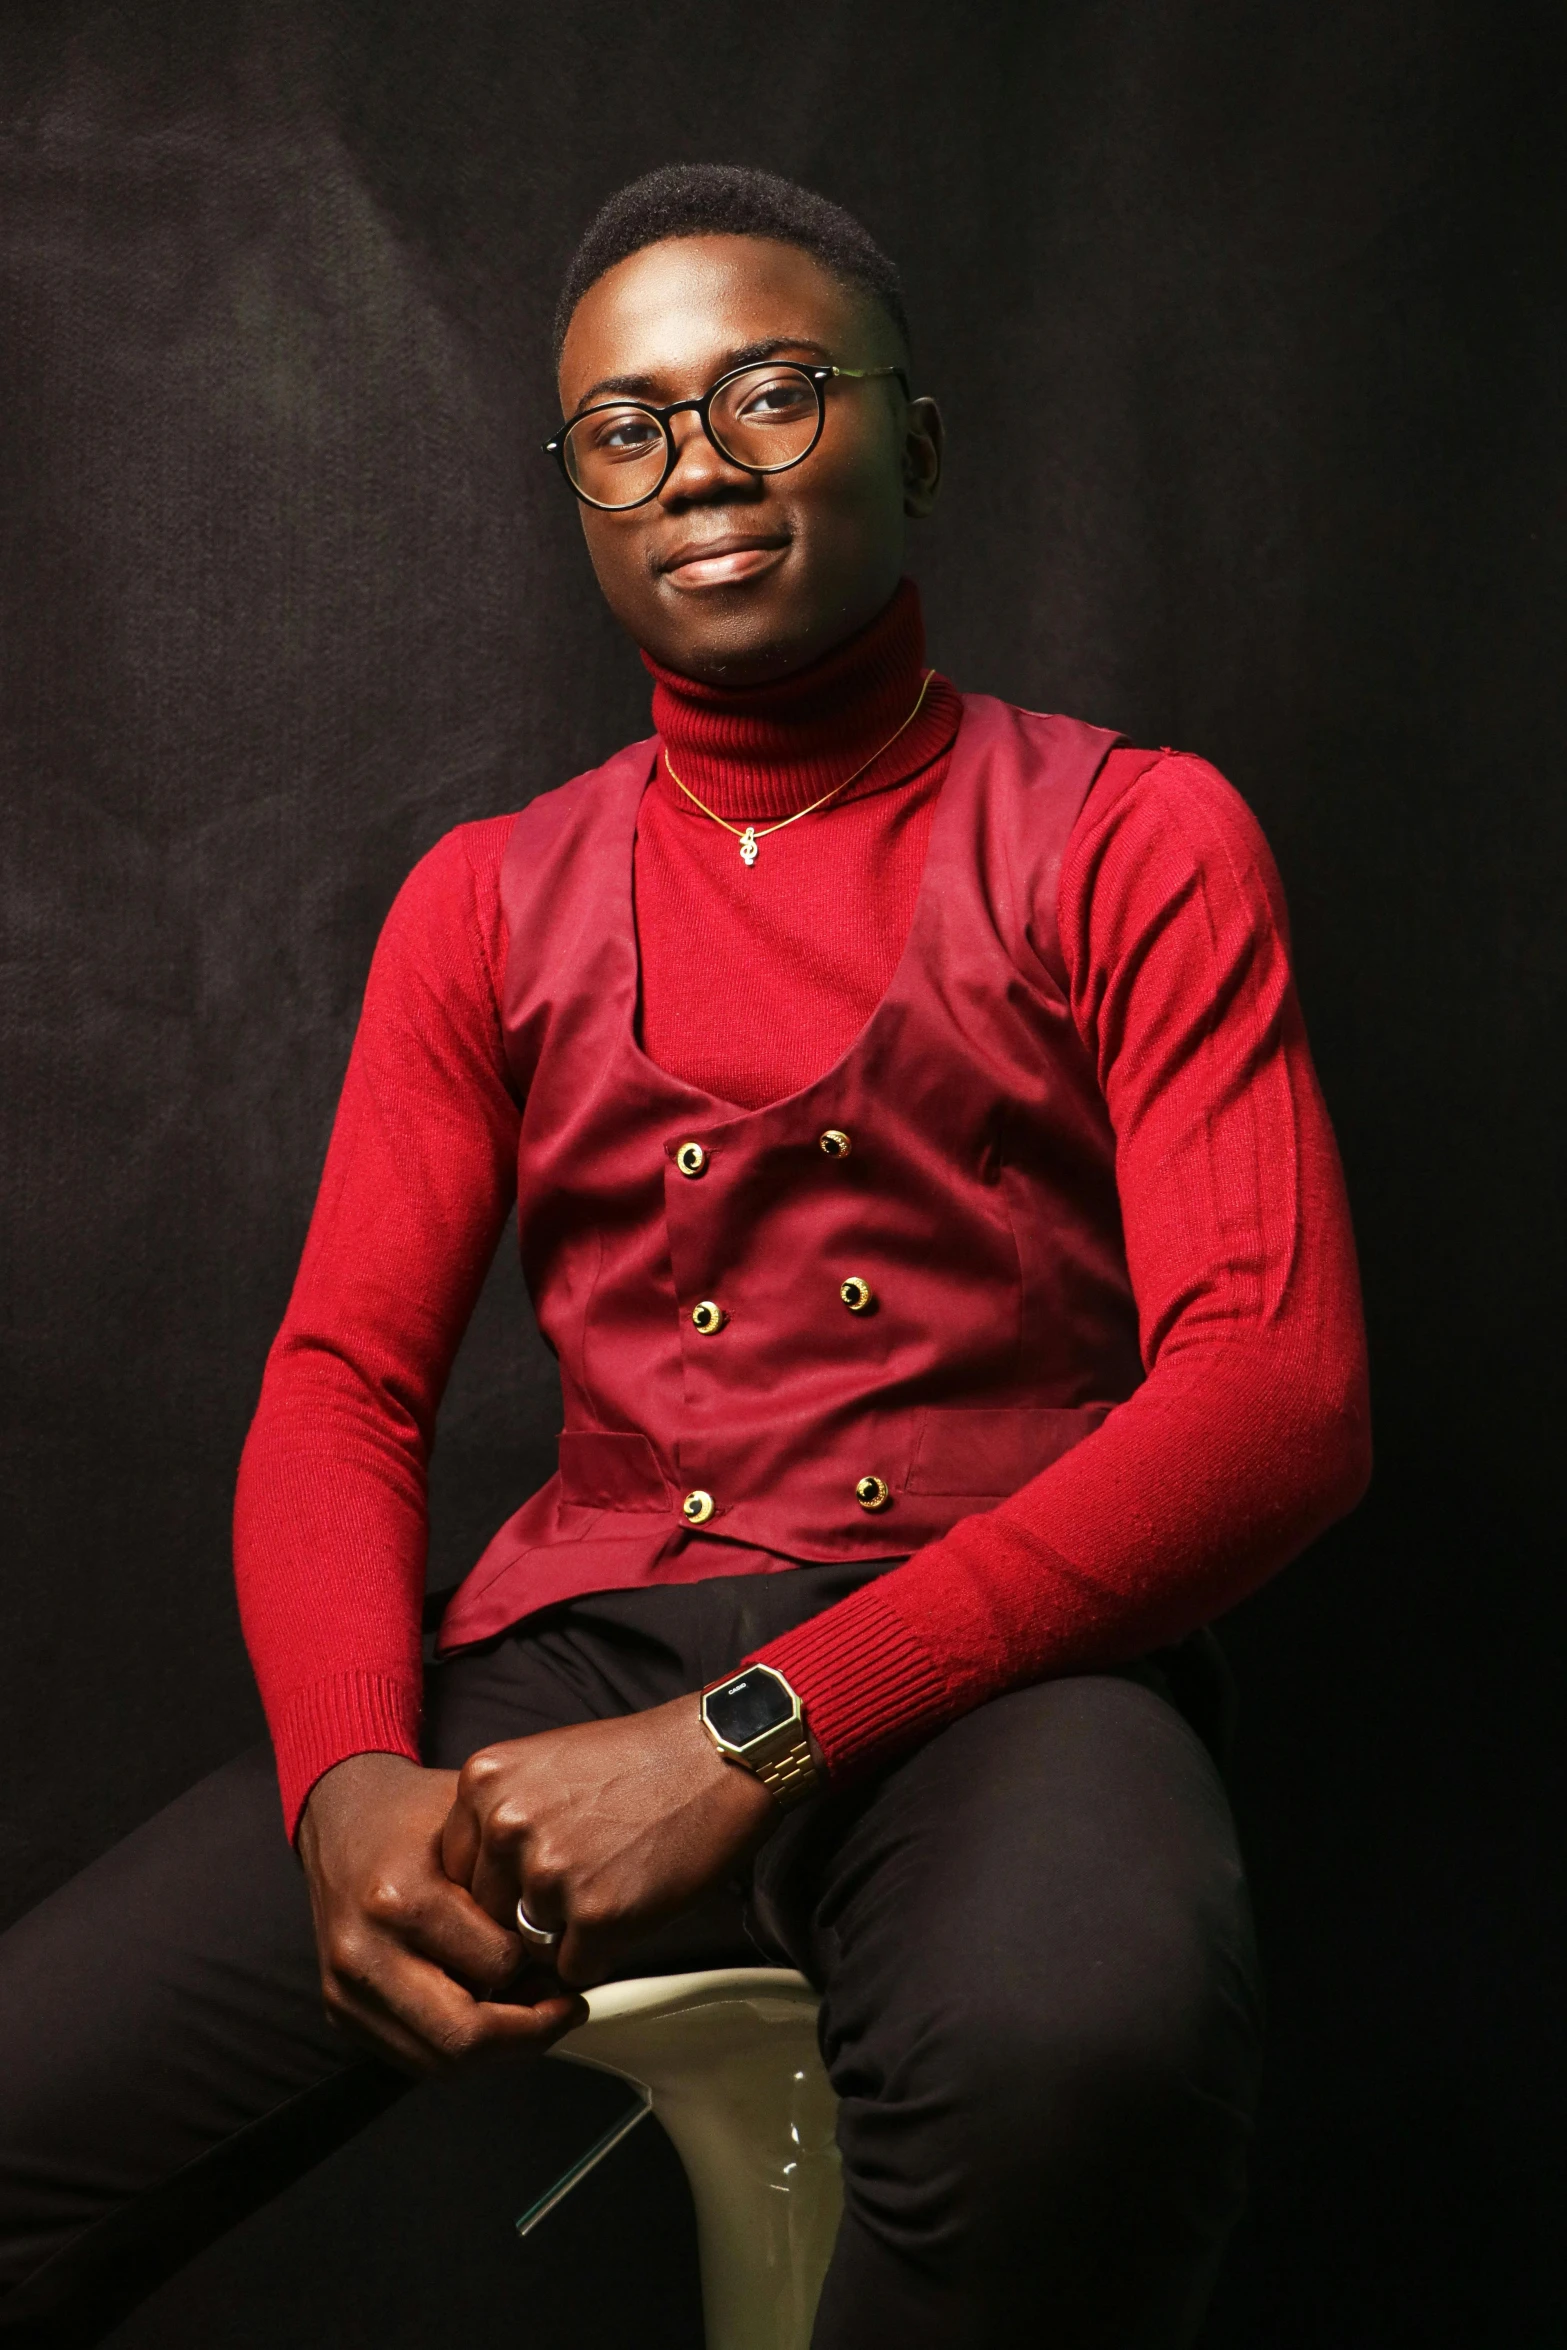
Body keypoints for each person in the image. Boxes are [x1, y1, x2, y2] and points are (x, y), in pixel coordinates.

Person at [0, 164, 1371, 2348]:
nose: (697, 464)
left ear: (913, 443)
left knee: (1072, 2061)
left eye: (768, 390)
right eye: (624, 426)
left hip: (998, 1656)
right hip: (575, 1642)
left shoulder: (1133, 833)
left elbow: (1278, 1396)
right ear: (579, 493)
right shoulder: (483, 897)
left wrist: (743, 1735)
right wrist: (353, 1771)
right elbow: (344, 1381)